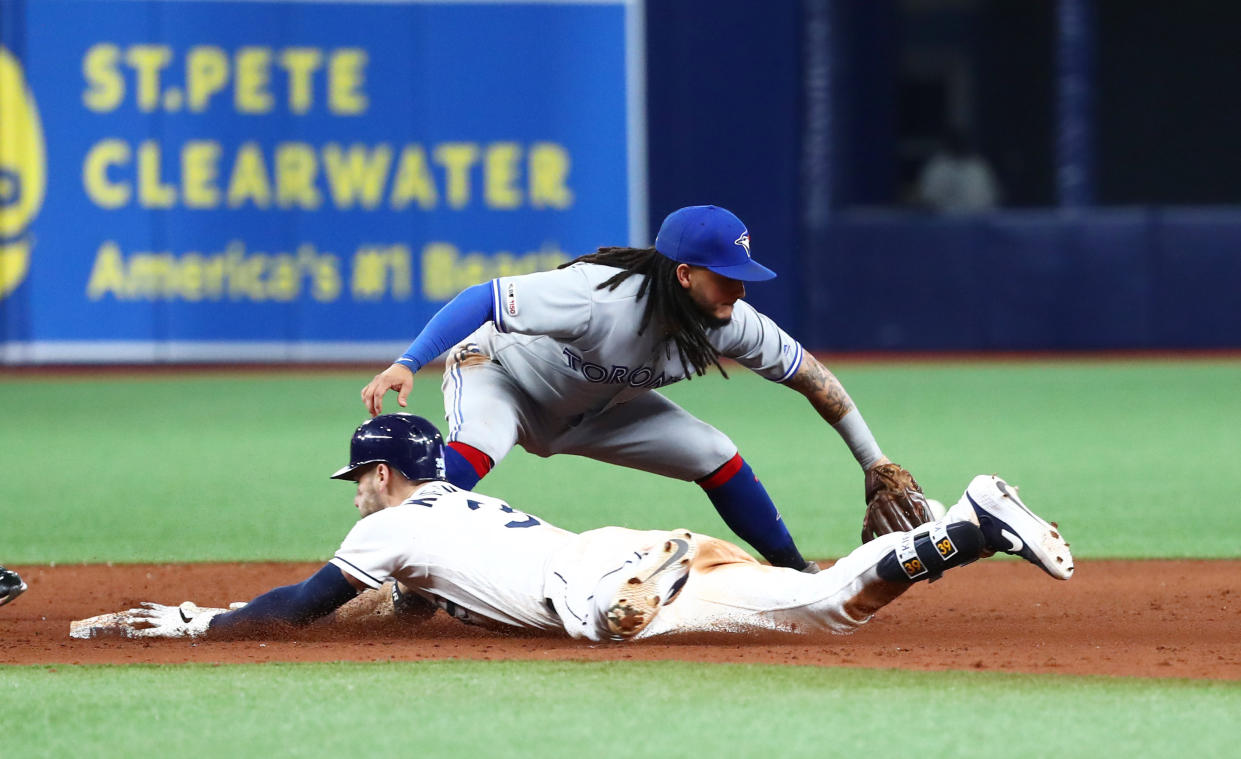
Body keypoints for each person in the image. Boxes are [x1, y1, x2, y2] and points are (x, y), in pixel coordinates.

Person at [71, 413, 1073, 643]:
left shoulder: (388, 527)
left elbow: (296, 605)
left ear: (382, 473)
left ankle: (969, 529)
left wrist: (202, 622)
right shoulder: (450, 513)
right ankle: (968, 529)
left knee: (817, 611)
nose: (354, 495)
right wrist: (407, 601)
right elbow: (429, 595)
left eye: (357, 479)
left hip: (604, 592)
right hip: (636, 544)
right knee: (828, 606)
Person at [360, 204, 922, 574]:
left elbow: (815, 382)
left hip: (601, 406)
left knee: (713, 452)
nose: (738, 290)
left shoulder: (734, 321)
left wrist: (874, 461)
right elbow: (483, 298)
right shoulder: (598, 295)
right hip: (505, 377)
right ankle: (380, 564)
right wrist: (409, 362)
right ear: (684, 274)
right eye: (726, 276)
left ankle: (796, 574)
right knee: (478, 447)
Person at [914, 127, 1001, 214]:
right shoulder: (937, 166)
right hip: (942, 223)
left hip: (977, 222)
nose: (958, 143)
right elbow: (927, 200)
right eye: (955, 141)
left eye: (961, 141)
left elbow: (992, 200)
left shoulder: (978, 166)